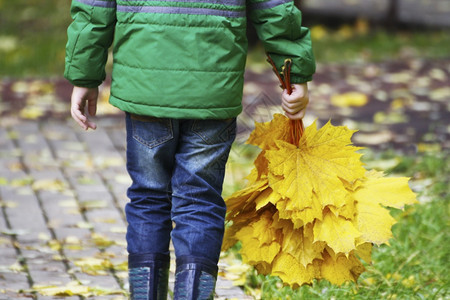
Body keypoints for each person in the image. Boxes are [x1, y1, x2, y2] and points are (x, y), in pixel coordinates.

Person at [65, 0, 315, 298]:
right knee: (200, 201)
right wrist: (294, 71)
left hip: (147, 81)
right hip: (214, 82)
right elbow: (274, 6)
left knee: (148, 198)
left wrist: (84, 74)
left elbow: (94, 6)